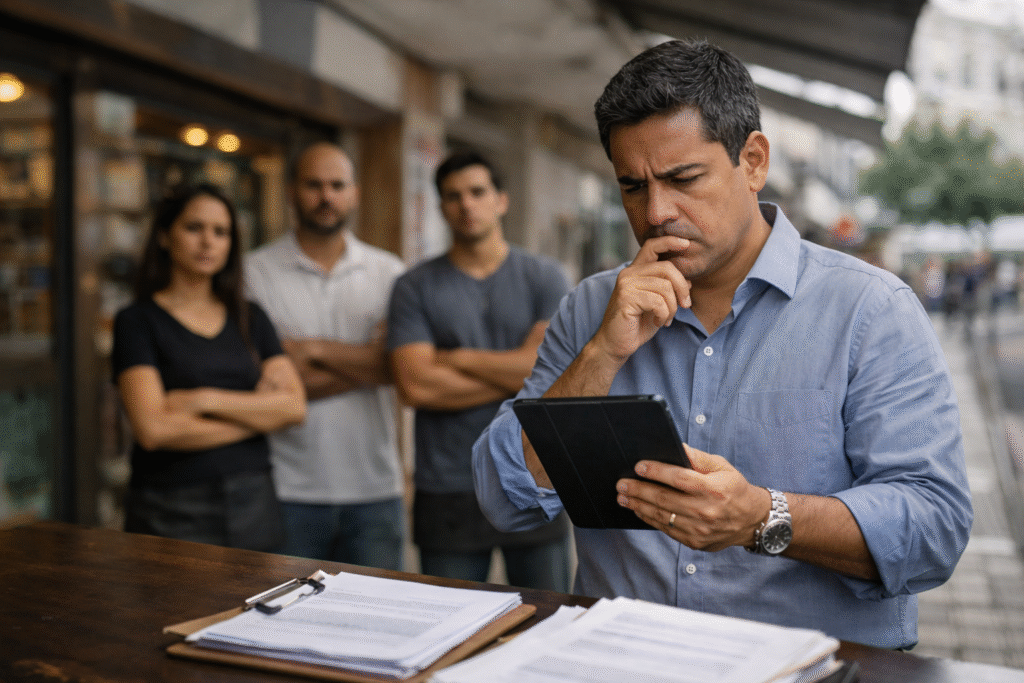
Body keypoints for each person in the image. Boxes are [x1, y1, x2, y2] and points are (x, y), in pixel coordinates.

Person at [472, 40, 972, 649]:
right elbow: (504, 498)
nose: (657, 212)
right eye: (632, 187)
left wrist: (764, 518)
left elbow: (934, 529)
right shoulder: (591, 310)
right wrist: (602, 354)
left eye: (683, 179)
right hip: (626, 659)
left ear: (753, 160)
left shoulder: (871, 311)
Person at [387, 151, 572, 590]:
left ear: (501, 200)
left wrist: (457, 357)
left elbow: (547, 374)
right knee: (444, 630)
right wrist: (519, 377)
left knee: (548, 622)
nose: (466, 205)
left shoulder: (544, 276)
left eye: (477, 192)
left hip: (536, 474)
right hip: (447, 483)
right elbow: (415, 385)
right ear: (440, 208)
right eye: (452, 196)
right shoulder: (414, 286)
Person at [112, 183, 306, 551]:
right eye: (193, 228)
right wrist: (256, 418)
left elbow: (294, 407)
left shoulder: (251, 318)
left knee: (259, 607)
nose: (208, 242)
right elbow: (153, 430)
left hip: (254, 500)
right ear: (165, 237)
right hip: (169, 505)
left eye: (221, 232)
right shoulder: (137, 321)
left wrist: (203, 400)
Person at [246, 141, 407, 569]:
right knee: (283, 626)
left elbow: (401, 369)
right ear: (291, 191)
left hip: (375, 490)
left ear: (354, 193)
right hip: (288, 490)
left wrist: (310, 350)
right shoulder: (254, 272)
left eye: (337, 185)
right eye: (313, 185)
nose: (326, 197)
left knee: (378, 629)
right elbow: (261, 383)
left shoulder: (388, 272)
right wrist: (370, 361)